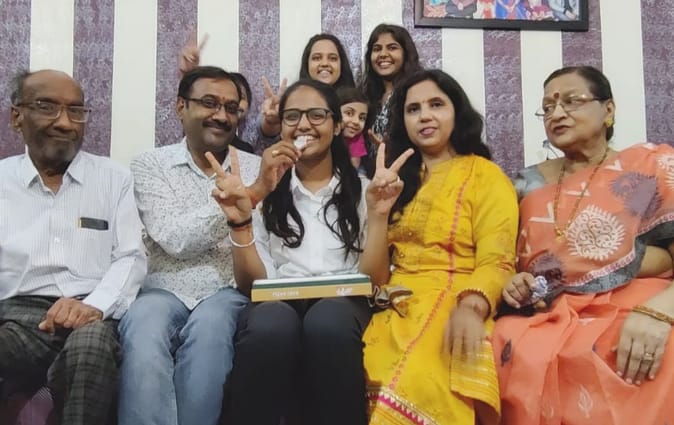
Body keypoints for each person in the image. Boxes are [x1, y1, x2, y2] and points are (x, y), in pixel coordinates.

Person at [493, 65, 674, 425]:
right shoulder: (523, 184)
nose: (557, 113)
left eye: (572, 101)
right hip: (545, 312)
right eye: (548, 107)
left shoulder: (650, 166)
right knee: (506, 341)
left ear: (608, 109)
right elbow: (504, 262)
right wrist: (514, 282)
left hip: (638, 303)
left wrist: (660, 312)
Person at [208, 79, 373, 425]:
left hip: (344, 301)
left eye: (316, 115)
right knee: (270, 325)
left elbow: (374, 276)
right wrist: (241, 221)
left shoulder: (363, 192)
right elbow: (252, 285)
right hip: (280, 299)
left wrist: (381, 213)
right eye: (292, 116)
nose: (303, 125)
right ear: (281, 127)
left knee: (328, 321)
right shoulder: (265, 190)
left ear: (337, 125)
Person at [359, 69, 518, 424]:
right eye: (413, 109)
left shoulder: (485, 175)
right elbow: (373, 280)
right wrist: (378, 214)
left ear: (456, 112)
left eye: (436, 105)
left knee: (418, 373)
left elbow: (498, 260)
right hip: (393, 305)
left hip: (457, 299)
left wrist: (472, 307)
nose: (425, 116)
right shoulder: (396, 181)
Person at [117, 66, 265, 425]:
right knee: (143, 327)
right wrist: (238, 203)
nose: (222, 116)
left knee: (211, 330)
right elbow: (173, 238)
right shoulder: (150, 164)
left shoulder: (255, 169)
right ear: (181, 106)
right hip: (162, 289)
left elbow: (258, 245)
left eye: (231, 108)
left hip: (226, 290)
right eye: (209, 103)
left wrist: (252, 193)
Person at [0, 69, 147, 425]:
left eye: (75, 111)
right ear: (17, 117)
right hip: (16, 316)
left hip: (90, 313)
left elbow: (131, 257)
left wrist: (93, 306)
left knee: (91, 346)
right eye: (47, 107)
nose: (65, 122)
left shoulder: (113, 178)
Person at [257, 33, 357, 152]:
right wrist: (272, 121)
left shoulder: (355, 101)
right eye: (317, 58)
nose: (324, 63)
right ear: (307, 64)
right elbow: (266, 135)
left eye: (332, 58)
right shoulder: (292, 97)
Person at [337, 86, 369, 171]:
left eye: (362, 118)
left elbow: (353, 169)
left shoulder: (357, 138)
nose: (356, 121)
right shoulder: (325, 132)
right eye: (349, 113)